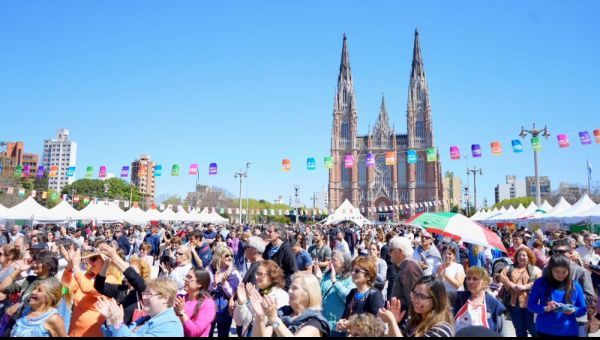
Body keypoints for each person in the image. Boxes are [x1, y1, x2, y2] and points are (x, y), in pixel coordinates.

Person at [60, 245, 121, 337]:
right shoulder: (87, 277)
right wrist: (69, 267)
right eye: (90, 258)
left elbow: (87, 289)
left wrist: (76, 267)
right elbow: (65, 291)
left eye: (94, 259)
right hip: (74, 332)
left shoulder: (111, 280)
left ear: (105, 261)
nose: (90, 262)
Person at [249, 272, 330, 337]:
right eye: (290, 287)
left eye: (295, 288)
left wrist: (274, 319)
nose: (290, 291)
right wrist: (259, 316)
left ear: (309, 293)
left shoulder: (316, 322)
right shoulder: (283, 313)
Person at [98, 276, 184, 336]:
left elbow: (121, 332)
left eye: (149, 294)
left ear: (165, 298)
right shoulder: (145, 319)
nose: (143, 297)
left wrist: (118, 324)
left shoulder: (170, 326)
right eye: (144, 293)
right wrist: (110, 321)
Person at [528, 255, 587, 337]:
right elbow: (531, 305)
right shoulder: (540, 283)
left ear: (569, 271)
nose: (560, 275)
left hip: (569, 331)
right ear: (550, 270)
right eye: (557, 271)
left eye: (564, 272)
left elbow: (583, 309)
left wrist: (573, 310)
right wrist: (546, 308)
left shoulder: (575, 286)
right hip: (545, 330)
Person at [378, 275, 455, 337]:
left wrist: (392, 321)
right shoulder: (411, 321)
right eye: (414, 294)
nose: (415, 300)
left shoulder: (441, 330)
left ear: (436, 300)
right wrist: (393, 323)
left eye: (422, 296)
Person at [94, 244, 150, 325]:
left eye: (132, 271)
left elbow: (133, 277)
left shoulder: (143, 291)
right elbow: (99, 286)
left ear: (141, 275)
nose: (126, 274)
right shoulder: (122, 289)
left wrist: (115, 257)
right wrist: (106, 263)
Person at [234, 260, 289, 337]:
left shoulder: (281, 295)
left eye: (260, 274)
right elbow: (239, 322)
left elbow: (278, 325)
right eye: (257, 273)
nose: (256, 277)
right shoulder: (255, 292)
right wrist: (241, 303)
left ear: (272, 276)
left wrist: (259, 313)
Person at [498, 247, 541, 337]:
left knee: (532, 327)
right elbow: (501, 276)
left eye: (524, 255)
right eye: (519, 255)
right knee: (519, 328)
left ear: (529, 257)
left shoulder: (535, 270)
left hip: (530, 303)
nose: (521, 257)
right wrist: (512, 285)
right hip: (514, 303)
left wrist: (524, 287)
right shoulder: (509, 268)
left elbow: (539, 282)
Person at [336, 256, 385, 333]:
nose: (352, 273)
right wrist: (341, 323)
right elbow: (346, 315)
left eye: (357, 271)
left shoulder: (374, 295)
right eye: (352, 270)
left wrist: (352, 324)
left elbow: (378, 323)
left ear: (368, 276)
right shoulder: (352, 293)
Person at [452, 267, 506, 335]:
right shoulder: (459, 299)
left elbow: (502, 333)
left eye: (475, 279)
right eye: (468, 278)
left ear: (485, 282)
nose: (470, 282)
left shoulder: (495, 306)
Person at [208, 246, 242, 337]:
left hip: (225, 307)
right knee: (208, 332)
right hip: (210, 304)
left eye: (231, 255)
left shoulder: (234, 272)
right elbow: (206, 288)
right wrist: (214, 284)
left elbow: (233, 294)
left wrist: (223, 283)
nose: (230, 257)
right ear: (219, 256)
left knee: (223, 333)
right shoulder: (210, 269)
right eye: (226, 255)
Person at [389, 236, 424, 325]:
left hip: (408, 321)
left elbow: (415, 301)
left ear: (400, 252)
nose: (389, 253)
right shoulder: (406, 267)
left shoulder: (409, 269)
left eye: (391, 250)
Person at [173, 268, 216, 337]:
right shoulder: (179, 298)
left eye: (189, 277)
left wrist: (181, 313)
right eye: (186, 276)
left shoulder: (208, 304)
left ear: (199, 284)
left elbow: (194, 332)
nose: (185, 279)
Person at [263, 224, 298, 289]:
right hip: (268, 287)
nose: (267, 233)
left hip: (281, 288)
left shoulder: (287, 250)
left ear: (278, 234)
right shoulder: (268, 248)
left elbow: (293, 271)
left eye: (270, 232)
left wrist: (285, 287)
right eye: (267, 231)